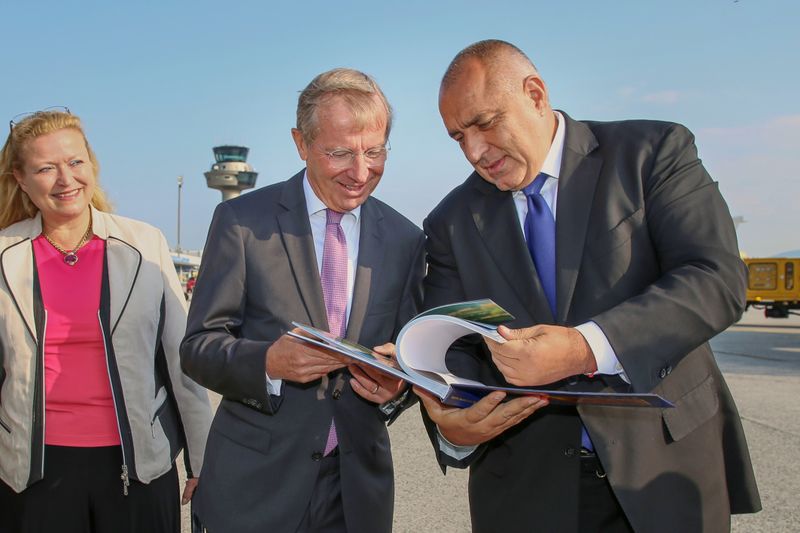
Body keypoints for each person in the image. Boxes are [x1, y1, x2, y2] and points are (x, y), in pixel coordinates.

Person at [416, 40, 761, 532]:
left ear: (535, 94)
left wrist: (585, 347)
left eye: (486, 123)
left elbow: (715, 278)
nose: (474, 151)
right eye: (457, 137)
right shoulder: (451, 221)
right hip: (526, 491)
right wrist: (453, 421)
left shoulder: (651, 153)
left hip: (664, 470)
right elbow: (452, 344)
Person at [180, 68, 425, 533]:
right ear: (300, 143)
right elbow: (197, 346)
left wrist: (398, 387)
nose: (360, 172)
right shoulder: (241, 220)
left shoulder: (406, 239)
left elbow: (409, 356)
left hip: (356, 495)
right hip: (255, 488)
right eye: (339, 153)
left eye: (374, 152)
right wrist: (268, 363)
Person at [0, 109, 212, 532]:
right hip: (29, 471)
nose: (66, 180)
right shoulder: (5, 254)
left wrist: (204, 461)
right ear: (21, 179)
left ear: (91, 165)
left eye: (76, 162)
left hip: (139, 468)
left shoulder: (143, 243)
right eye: (46, 168)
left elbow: (182, 362)